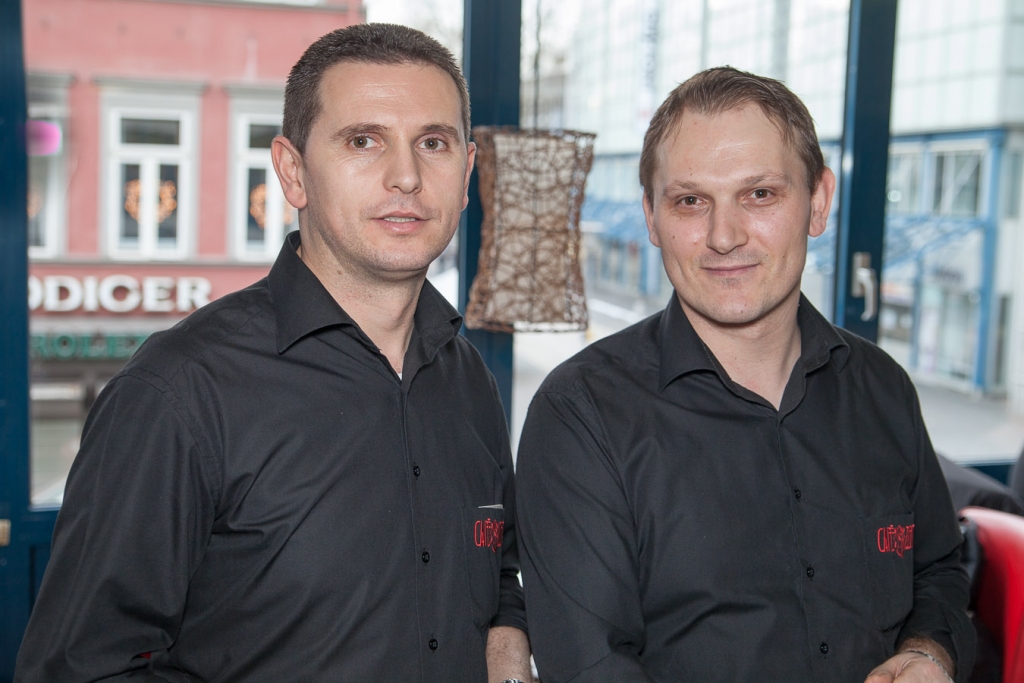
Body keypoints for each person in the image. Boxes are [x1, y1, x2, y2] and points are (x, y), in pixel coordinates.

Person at [15, 24, 531, 683]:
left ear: (465, 176)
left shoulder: (468, 380)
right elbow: (78, 668)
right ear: (293, 172)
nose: (406, 176)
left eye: (433, 143)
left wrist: (507, 648)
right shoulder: (179, 392)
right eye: (363, 140)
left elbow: (496, 570)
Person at [515, 66, 974, 683]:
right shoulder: (582, 414)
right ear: (651, 218)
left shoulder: (883, 387)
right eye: (690, 201)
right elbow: (590, 666)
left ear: (818, 202)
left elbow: (938, 571)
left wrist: (927, 652)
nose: (724, 237)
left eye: (759, 194)